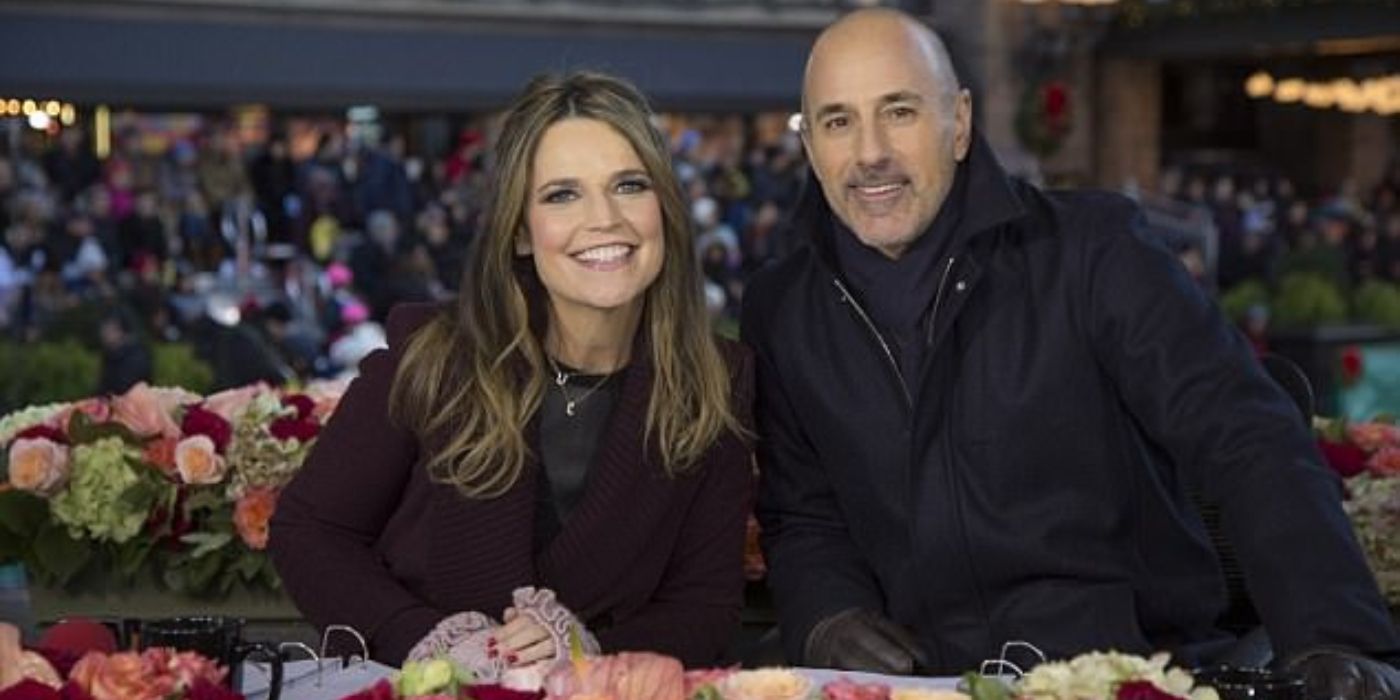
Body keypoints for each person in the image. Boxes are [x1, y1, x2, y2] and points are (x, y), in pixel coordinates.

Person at [741, 7, 1400, 696]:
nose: (870, 151)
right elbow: (803, 512)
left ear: (959, 123)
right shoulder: (782, 309)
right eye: (839, 121)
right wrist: (827, 615)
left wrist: (1335, 635)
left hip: (1134, 669)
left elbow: (1243, 432)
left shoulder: (1093, 253)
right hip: (927, 683)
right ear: (812, 148)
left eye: (899, 111)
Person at [269, 71, 754, 669]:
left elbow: (702, 607)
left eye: (629, 185)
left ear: (665, 208)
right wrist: (425, 642)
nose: (604, 218)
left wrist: (590, 650)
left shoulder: (716, 383)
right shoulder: (433, 356)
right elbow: (310, 530)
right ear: (521, 231)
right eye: (561, 195)